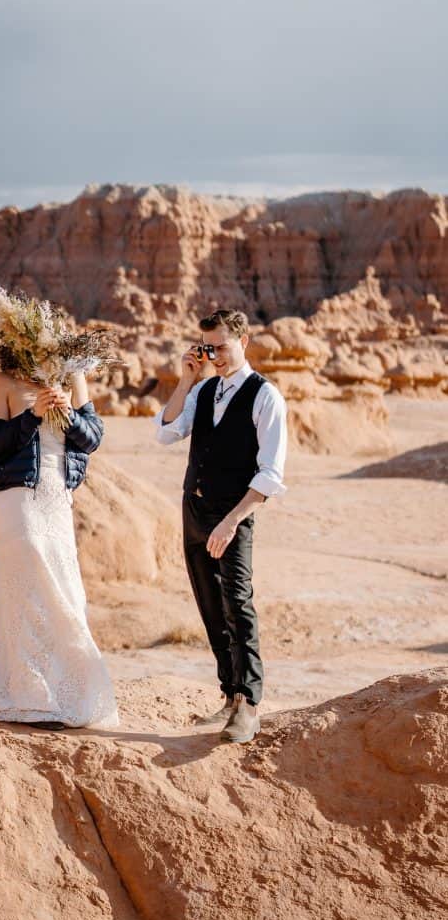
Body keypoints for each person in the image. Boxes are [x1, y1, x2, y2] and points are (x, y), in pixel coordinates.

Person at [0, 370, 119, 731]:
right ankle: (31, 697)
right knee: (26, 590)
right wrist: (33, 415)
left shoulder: (72, 376)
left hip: (58, 497)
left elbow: (92, 438)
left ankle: (67, 693)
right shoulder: (2, 382)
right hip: (17, 498)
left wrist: (69, 415)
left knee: (65, 591)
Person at [154, 307, 287, 743]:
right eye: (208, 348)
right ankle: (228, 696)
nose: (216, 356)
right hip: (193, 513)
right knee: (210, 607)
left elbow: (269, 475)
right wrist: (187, 379)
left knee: (238, 605)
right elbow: (167, 431)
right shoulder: (204, 389)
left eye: (223, 348)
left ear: (244, 342)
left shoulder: (266, 396)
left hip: (233, 516)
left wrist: (231, 522)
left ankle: (249, 704)